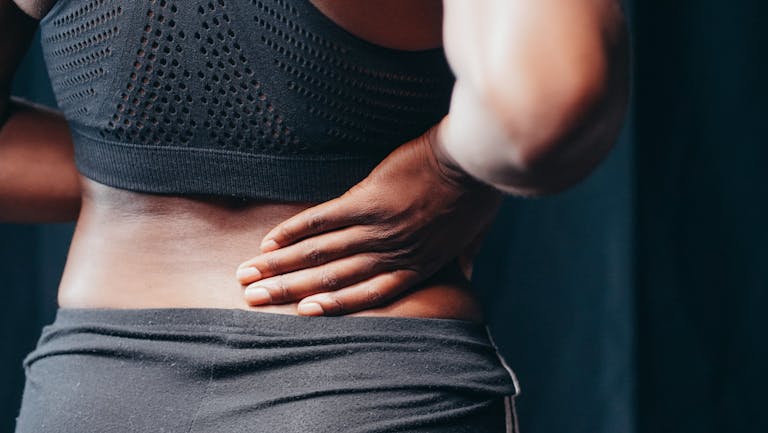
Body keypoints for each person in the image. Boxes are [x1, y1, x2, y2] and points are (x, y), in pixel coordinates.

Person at [2, 0, 629, 432]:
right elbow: (541, 107)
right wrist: (446, 167)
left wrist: (129, 174)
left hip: (97, 393)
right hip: (364, 391)